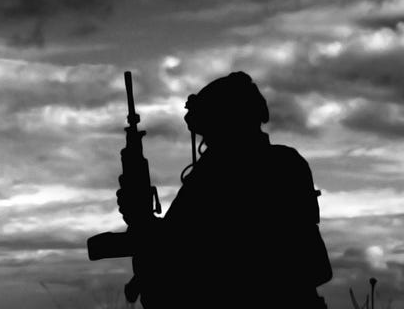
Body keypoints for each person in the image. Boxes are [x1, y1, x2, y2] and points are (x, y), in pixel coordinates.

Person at [122, 71, 332, 307]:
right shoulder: (288, 162)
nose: (207, 143)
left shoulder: (215, 173)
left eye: (210, 133)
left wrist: (140, 217)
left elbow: (179, 243)